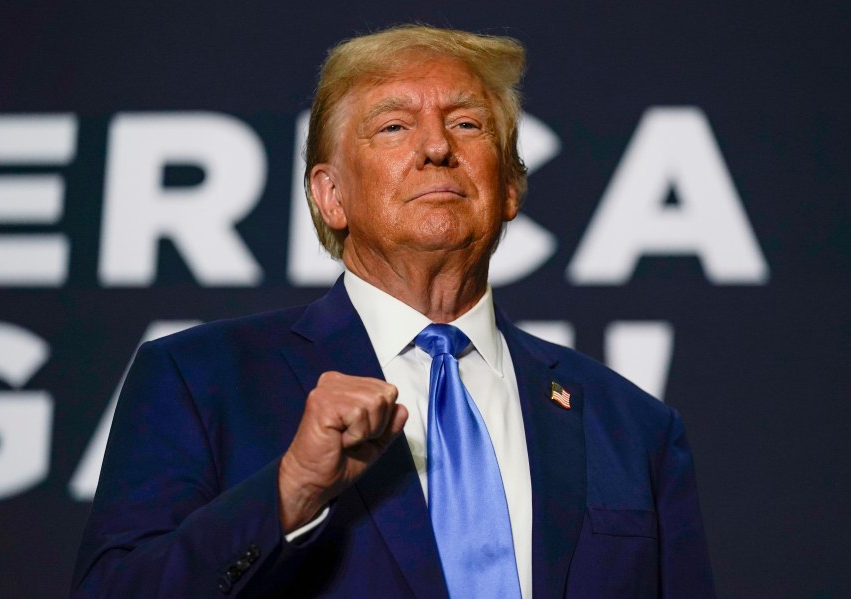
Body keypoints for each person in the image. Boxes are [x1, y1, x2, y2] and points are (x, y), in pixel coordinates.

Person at [72, 25, 716, 598]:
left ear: (512, 186)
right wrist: (290, 490)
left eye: (467, 123)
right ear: (330, 196)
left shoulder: (635, 428)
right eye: (394, 126)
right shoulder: (198, 379)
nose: (437, 147)